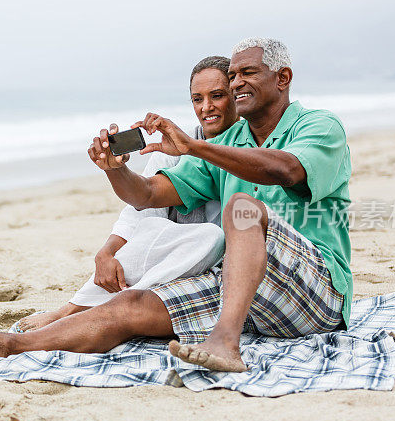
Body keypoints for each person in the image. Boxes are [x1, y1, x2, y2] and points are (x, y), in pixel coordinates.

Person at [0, 38, 352, 373]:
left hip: (316, 293)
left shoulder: (318, 126)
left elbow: (287, 170)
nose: (238, 81)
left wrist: (196, 146)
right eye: (235, 74)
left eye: (248, 73)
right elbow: (148, 195)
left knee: (243, 209)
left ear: (283, 78)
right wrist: (115, 169)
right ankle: (5, 346)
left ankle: (225, 342)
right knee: (130, 306)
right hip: (248, 298)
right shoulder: (223, 144)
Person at [16, 56, 240, 332]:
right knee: (156, 200)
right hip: (169, 261)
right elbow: (141, 206)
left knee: (211, 236)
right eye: (197, 99)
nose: (206, 107)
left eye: (217, 96)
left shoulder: (251, 145)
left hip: (218, 262)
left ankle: (87, 310)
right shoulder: (176, 147)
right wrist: (106, 253)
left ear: (236, 95)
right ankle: (72, 310)